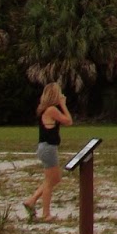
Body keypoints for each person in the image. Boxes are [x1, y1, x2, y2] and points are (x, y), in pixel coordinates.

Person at [24, 82, 72, 221]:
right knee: (50, 182)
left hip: (46, 148)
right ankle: (46, 214)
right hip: (48, 148)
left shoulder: (45, 109)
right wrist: (63, 104)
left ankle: (32, 200)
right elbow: (68, 121)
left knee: (55, 179)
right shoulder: (51, 110)